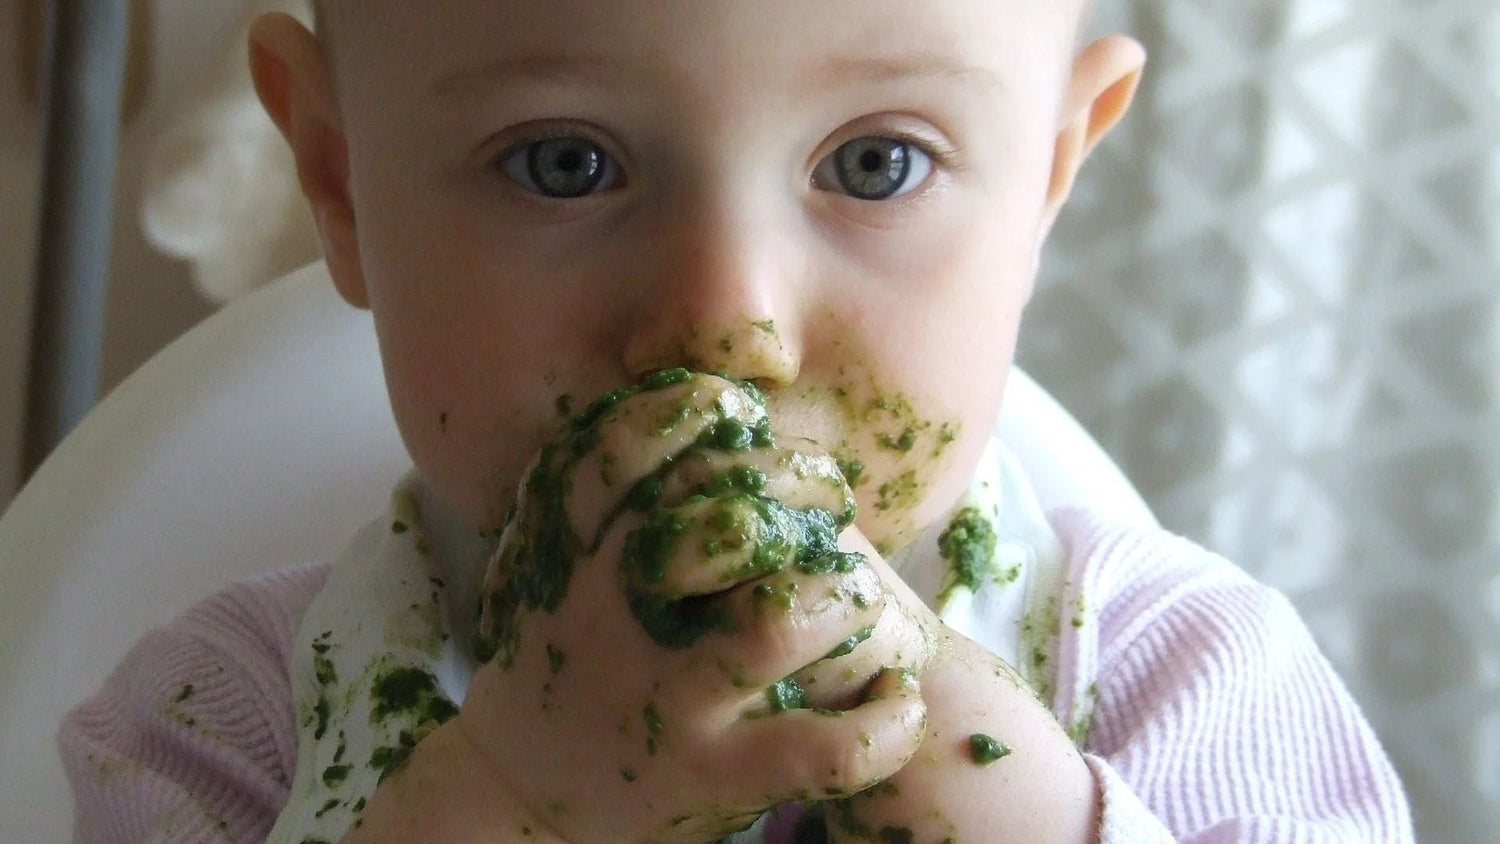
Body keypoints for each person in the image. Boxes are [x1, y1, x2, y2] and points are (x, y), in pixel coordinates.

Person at [57, 1, 1414, 842]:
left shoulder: (1195, 694)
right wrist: (513, 806)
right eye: (565, 163)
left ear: (1048, 181)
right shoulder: (212, 738)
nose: (726, 321)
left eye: (877, 162)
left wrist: (997, 799)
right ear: (341, 183)